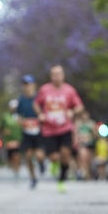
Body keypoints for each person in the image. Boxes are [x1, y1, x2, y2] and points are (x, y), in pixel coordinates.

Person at [33, 65, 85, 193]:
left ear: (63, 75)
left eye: (59, 74)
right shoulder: (44, 90)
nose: (56, 76)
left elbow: (80, 106)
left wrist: (72, 112)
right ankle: (54, 164)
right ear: (51, 76)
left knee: (65, 155)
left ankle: (62, 181)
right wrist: (40, 114)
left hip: (65, 128)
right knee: (54, 157)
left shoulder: (69, 90)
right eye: (54, 74)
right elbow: (36, 103)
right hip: (49, 129)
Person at [16, 74, 46, 189]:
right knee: (28, 156)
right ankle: (33, 177)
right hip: (27, 131)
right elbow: (18, 115)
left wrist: (41, 118)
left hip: (38, 131)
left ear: (34, 85)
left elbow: (44, 112)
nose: (27, 87)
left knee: (39, 155)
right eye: (25, 84)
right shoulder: (21, 100)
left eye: (29, 84)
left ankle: (41, 163)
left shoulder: (39, 98)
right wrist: (20, 121)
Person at [0, 99, 22, 180]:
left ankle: (17, 171)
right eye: (12, 107)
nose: (14, 109)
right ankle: (13, 167)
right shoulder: (5, 116)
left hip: (19, 139)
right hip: (9, 140)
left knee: (17, 155)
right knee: (11, 157)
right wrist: (4, 130)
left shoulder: (21, 116)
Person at [74, 110, 97, 180]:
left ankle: (88, 173)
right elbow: (75, 133)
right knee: (83, 157)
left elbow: (95, 134)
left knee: (88, 159)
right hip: (81, 143)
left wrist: (91, 136)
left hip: (89, 143)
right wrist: (77, 140)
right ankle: (84, 173)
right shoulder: (78, 123)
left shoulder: (91, 123)